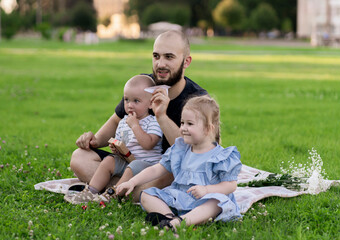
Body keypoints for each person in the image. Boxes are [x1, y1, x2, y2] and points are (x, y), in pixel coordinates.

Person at [70, 30, 207, 201]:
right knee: (79, 157)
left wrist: (162, 116)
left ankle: (116, 189)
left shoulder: (198, 100)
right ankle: (123, 190)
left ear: (186, 61)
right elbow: (116, 120)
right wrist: (94, 141)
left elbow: (195, 152)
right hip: (130, 161)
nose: (160, 64)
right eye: (156, 56)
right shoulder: (143, 85)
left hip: (161, 170)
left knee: (171, 174)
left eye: (169, 57)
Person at [116, 96, 242, 231]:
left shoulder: (221, 156)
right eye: (182, 123)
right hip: (180, 197)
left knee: (216, 202)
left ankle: (182, 221)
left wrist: (207, 190)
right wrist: (132, 182)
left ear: (208, 128)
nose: (183, 128)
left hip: (205, 200)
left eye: (190, 124)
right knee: (147, 195)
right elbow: (156, 169)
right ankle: (168, 219)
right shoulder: (181, 149)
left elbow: (230, 185)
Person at [65, 75, 163, 204]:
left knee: (133, 166)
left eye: (136, 101)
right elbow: (123, 142)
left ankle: (112, 194)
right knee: (109, 160)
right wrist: (116, 148)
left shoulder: (153, 121)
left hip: (147, 165)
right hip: (127, 160)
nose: (130, 105)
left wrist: (135, 126)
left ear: (151, 103)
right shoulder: (123, 121)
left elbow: (148, 144)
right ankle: (91, 191)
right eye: (126, 100)